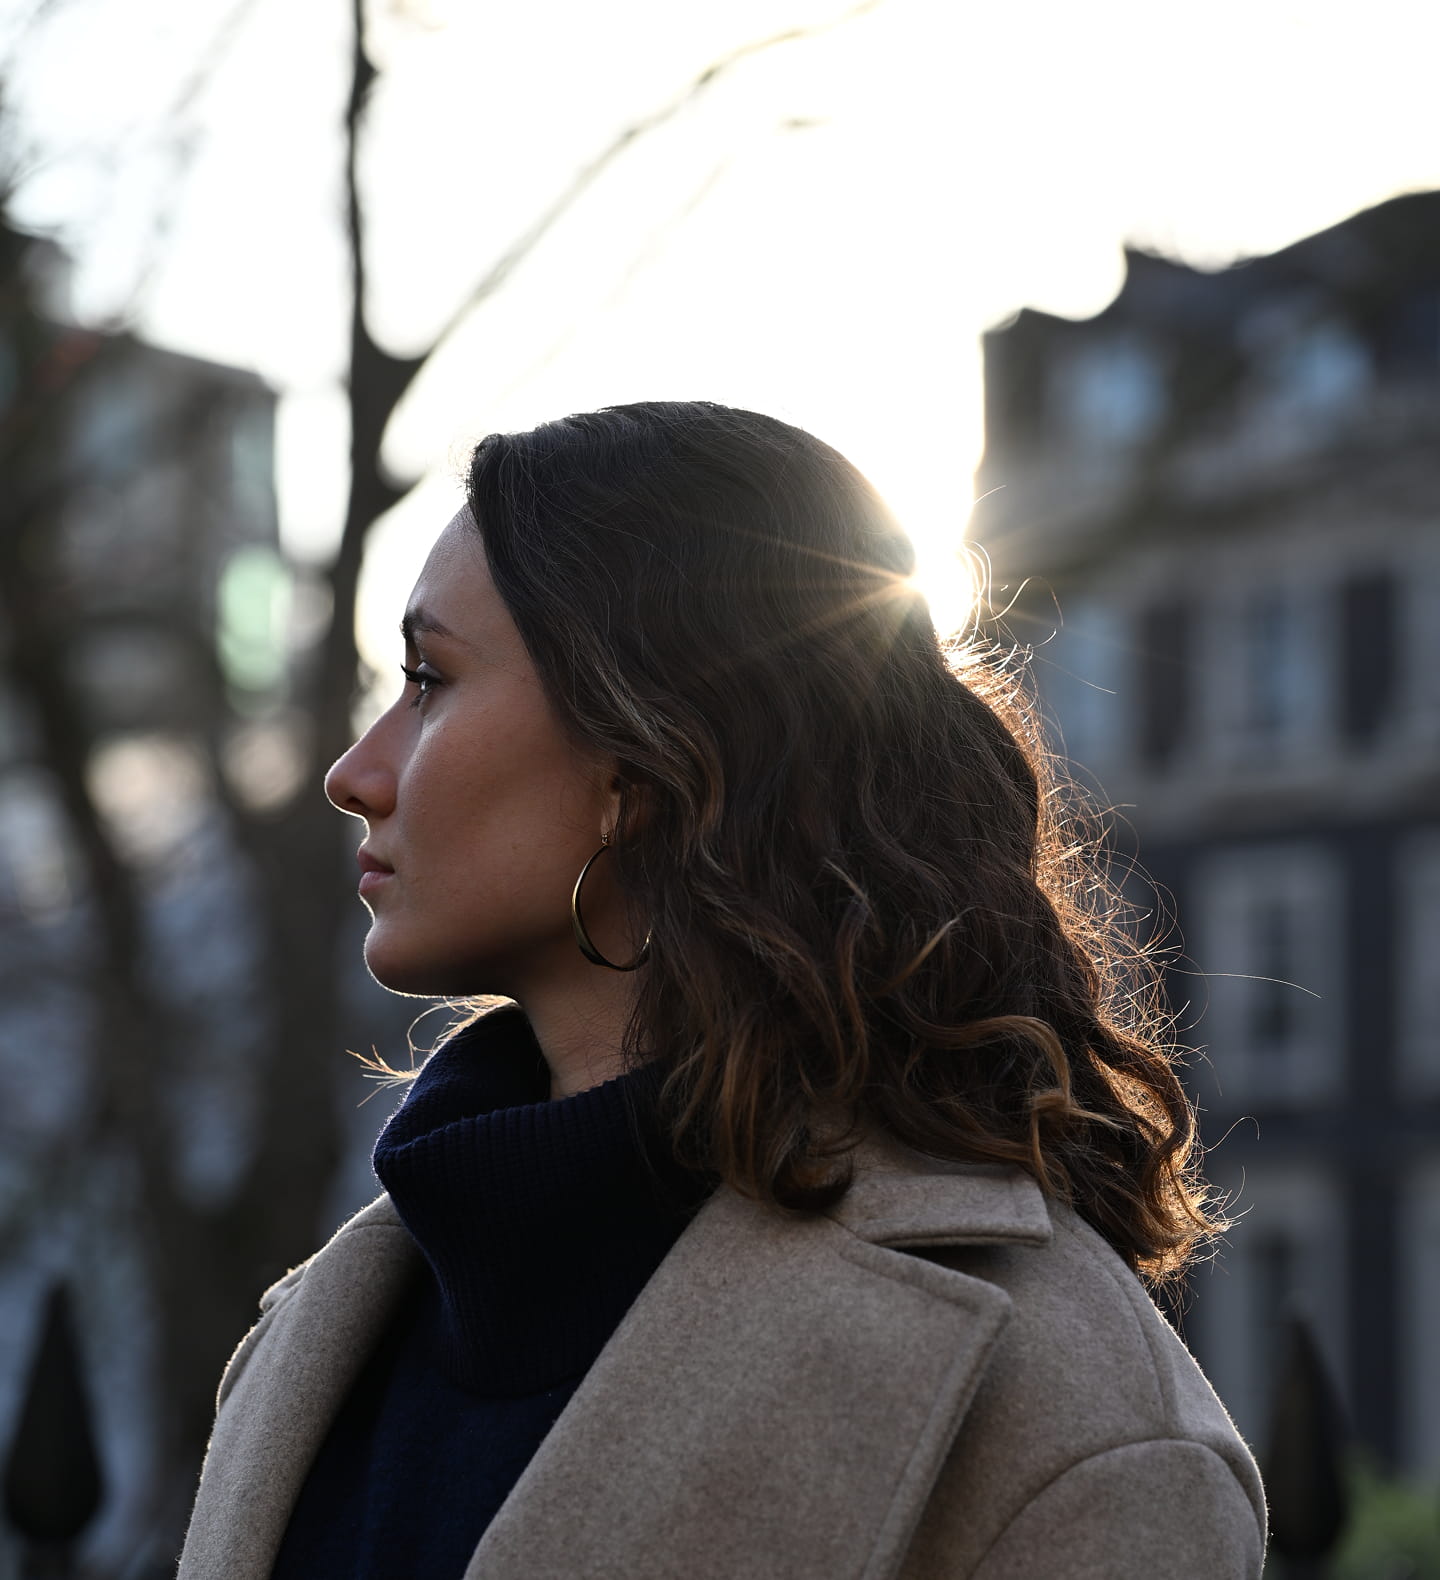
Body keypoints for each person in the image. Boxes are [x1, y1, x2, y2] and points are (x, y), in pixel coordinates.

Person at [178, 401, 1266, 1579]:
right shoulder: (320, 1334)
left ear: (641, 760)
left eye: (429, 678)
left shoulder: (1065, 1415)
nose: (353, 772)